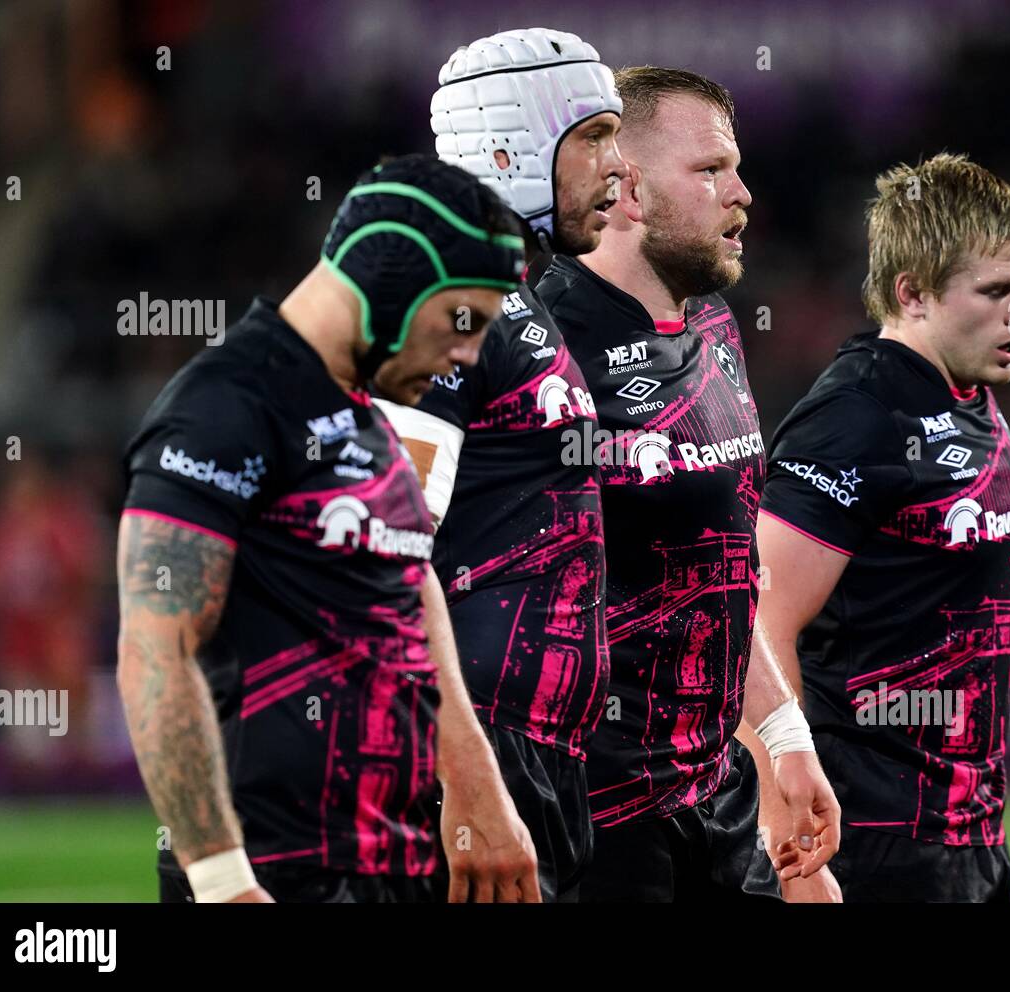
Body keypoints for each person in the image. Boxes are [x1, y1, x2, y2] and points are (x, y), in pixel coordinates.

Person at [117, 154, 541, 903]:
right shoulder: (227, 404)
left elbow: (408, 595)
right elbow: (156, 648)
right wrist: (221, 882)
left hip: (388, 867)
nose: (471, 354)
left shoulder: (366, 416)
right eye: (462, 320)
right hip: (272, 877)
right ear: (391, 283)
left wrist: (475, 784)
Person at [536, 66, 840, 902]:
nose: (742, 193)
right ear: (626, 189)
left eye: (735, 167)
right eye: (710, 171)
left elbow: (721, 570)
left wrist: (783, 739)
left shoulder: (711, 323)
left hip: (720, 804)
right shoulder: (534, 351)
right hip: (592, 827)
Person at [380, 27, 626, 902]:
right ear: (508, 143)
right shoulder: (446, 293)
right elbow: (382, 546)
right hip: (466, 757)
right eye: (595, 136)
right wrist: (471, 778)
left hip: (533, 756)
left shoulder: (517, 297)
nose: (618, 166)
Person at [756, 152, 1010, 901]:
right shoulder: (855, 418)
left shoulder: (968, 387)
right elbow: (755, 624)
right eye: (996, 290)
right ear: (912, 293)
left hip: (968, 835)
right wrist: (797, 857)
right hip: (870, 844)